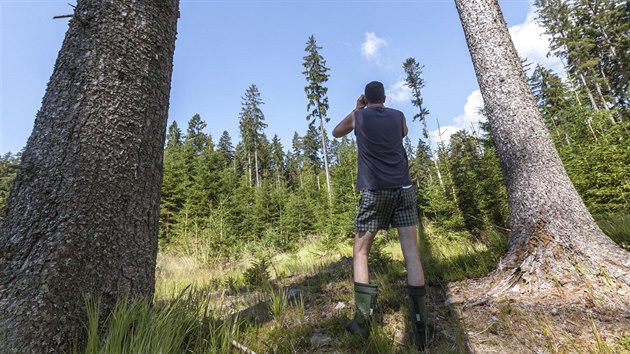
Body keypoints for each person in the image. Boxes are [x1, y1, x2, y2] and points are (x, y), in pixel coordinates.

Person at [332, 81, 428, 350]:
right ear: (384, 98)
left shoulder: (358, 117)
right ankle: (420, 325)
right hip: (404, 189)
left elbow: (336, 132)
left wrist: (356, 110)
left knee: (361, 252)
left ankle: (363, 321)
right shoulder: (398, 116)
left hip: (375, 192)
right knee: (411, 252)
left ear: (365, 98)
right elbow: (404, 133)